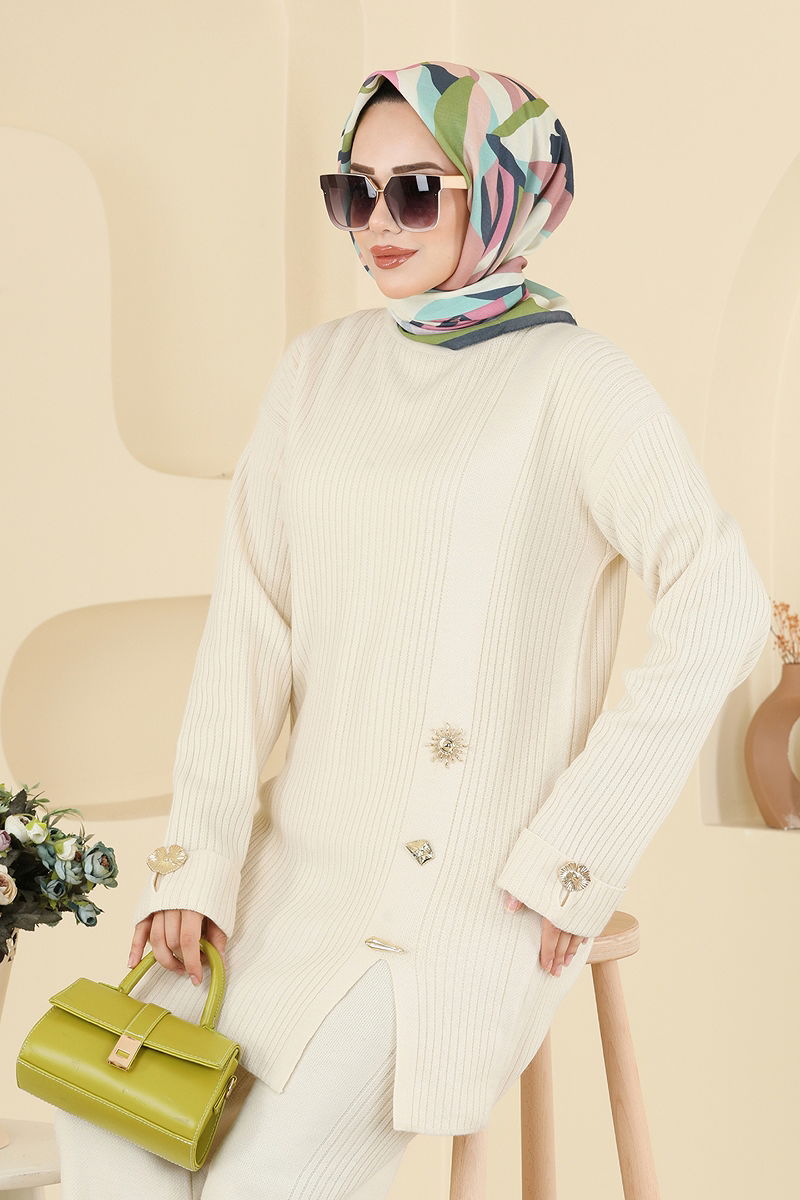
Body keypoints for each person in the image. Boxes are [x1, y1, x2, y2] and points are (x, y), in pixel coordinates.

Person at [53, 61, 771, 1198]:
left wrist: (575, 850)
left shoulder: (577, 382)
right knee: (99, 1131)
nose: (377, 223)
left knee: (261, 1185)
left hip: (460, 895)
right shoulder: (316, 371)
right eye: (354, 191)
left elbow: (720, 601)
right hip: (285, 875)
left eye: (417, 191)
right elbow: (248, 630)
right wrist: (196, 863)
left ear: (505, 192)